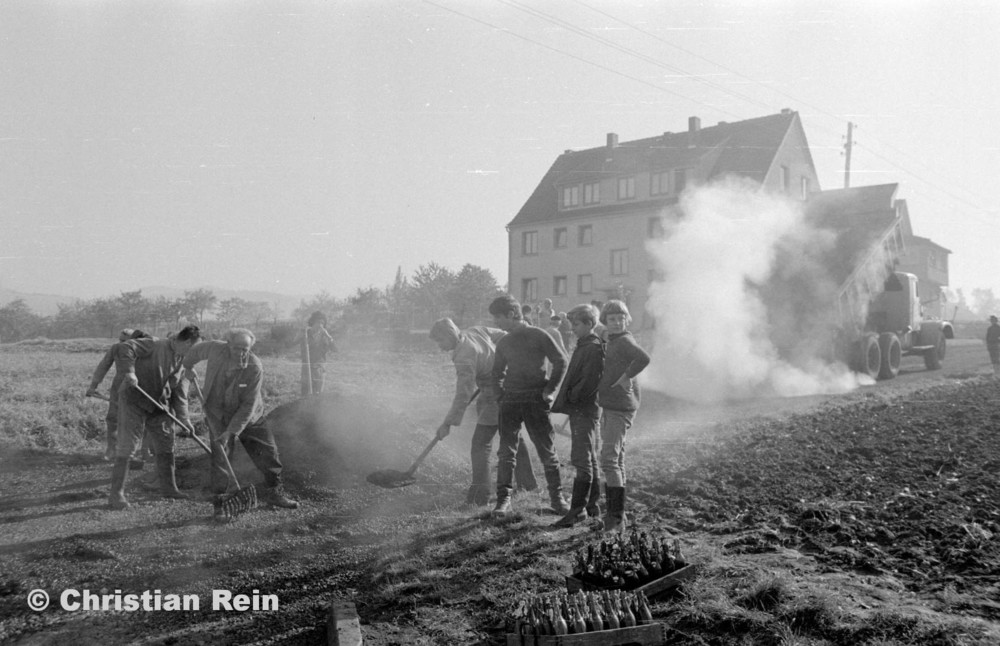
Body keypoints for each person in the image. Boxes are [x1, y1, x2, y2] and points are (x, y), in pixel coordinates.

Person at [182, 328, 298, 512]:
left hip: (249, 417)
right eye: (237, 348)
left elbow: (248, 405)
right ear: (228, 344)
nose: (241, 352)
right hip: (217, 414)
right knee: (221, 457)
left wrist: (231, 432)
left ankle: (274, 492)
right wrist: (188, 367)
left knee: (268, 452)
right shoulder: (214, 348)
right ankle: (221, 500)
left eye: (246, 349)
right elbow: (194, 352)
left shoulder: (254, 367)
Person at [429, 318, 538, 506]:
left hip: (494, 395)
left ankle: (481, 496)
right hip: (511, 387)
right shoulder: (476, 330)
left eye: (441, 342)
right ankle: (528, 484)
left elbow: (463, 394)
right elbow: (506, 335)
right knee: (513, 436)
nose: (440, 347)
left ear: (449, 334)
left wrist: (448, 423)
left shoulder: (463, 357)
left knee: (480, 446)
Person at [489, 295, 569, 517]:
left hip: (536, 399)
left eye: (498, 317)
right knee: (506, 452)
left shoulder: (538, 335)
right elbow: (496, 373)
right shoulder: (504, 342)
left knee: (547, 451)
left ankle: (557, 498)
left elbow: (561, 360)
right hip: (511, 401)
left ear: (512, 314)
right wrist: (500, 397)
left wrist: (549, 390)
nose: (496, 322)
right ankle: (503, 501)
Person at [108, 325, 202, 510]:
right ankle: (116, 494)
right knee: (128, 447)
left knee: (166, 443)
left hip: (159, 404)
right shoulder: (154, 344)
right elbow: (124, 348)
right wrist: (130, 372)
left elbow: (179, 393)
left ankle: (169, 488)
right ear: (187, 342)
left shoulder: (183, 359)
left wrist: (185, 420)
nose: (195, 354)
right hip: (133, 400)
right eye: (194, 349)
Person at [596, 300, 650, 533]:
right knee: (616, 459)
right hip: (612, 404)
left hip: (620, 406)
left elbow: (643, 358)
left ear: (627, 320)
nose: (617, 322)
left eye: (621, 318)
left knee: (609, 458)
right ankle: (620, 516)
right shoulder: (613, 340)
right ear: (605, 322)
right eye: (612, 319)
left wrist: (627, 376)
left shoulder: (625, 340)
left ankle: (615, 518)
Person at [551, 304, 605, 527]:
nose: (572, 328)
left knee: (582, 459)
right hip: (583, 409)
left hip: (584, 409)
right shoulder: (585, 345)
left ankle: (577, 510)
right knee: (589, 457)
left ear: (589, 324)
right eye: (572, 324)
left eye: (577, 324)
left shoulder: (592, 348)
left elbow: (589, 382)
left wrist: (572, 397)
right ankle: (591, 506)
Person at [87, 328, 147, 461]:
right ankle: (112, 449)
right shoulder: (116, 348)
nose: (122, 343)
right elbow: (104, 366)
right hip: (119, 387)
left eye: (125, 341)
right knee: (113, 418)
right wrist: (93, 386)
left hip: (140, 387)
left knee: (137, 420)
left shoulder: (144, 349)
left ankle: (138, 451)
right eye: (120, 340)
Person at [304, 311, 337, 394]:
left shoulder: (325, 336)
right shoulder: (306, 334)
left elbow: (335, 349)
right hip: (307, 366)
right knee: (307, 391)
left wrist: (329, 336)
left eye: (322, 323)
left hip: (320, 366)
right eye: (318, 322)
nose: (320, 325)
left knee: (318, 391)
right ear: (312, 322)